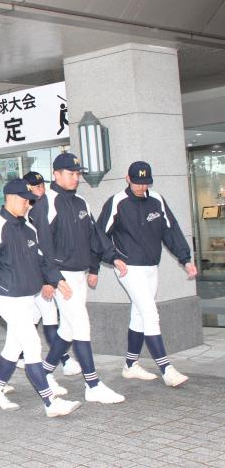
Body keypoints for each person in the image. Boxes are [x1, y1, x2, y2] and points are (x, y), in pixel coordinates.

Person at [0, 178, 81, 417]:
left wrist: (58, 279)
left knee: (14, 346)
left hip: (27, 297)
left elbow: (42, 260)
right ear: (11, 198)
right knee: (32, 345)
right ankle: (51, 403)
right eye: (25, 200)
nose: (28, 205)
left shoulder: (29, 229)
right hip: (7, 297)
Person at [30, 153, 125, 403]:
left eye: (77, 173)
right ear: (56, 174)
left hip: (79, 274)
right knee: (81, 324)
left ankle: (45, 372)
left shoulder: (81, 201)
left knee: (69, 328)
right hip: (61, 277)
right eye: (71, 173)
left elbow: (95, 235)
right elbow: (41, 248)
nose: (76, 178)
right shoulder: (45, 205)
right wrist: (53, 279)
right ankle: (92, 385)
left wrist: (113, 257)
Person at [97, 161, 196, 387]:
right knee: (150, 313)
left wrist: (185, 259)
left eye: (146, 183)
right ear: (128, 179)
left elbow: (171, 230)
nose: (142, 187)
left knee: (140, 314)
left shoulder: (157, 200)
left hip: (151, 266)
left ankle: (130, 365)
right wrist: (112, 258)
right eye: (137, 183)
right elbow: (99, 234)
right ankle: (166, 369)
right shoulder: (117, 202)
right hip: (128, 268)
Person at [23, 170, 82, 376]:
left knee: (34, 318)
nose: (40, 189)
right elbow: (37, 251)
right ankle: (62, 360)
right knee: (48, 316)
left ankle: (24, 356)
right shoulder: (28, 212)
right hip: (37, 276)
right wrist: (46, 281)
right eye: (35, 187)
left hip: (46, 274)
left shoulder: (46, 207)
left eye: (42, 185)